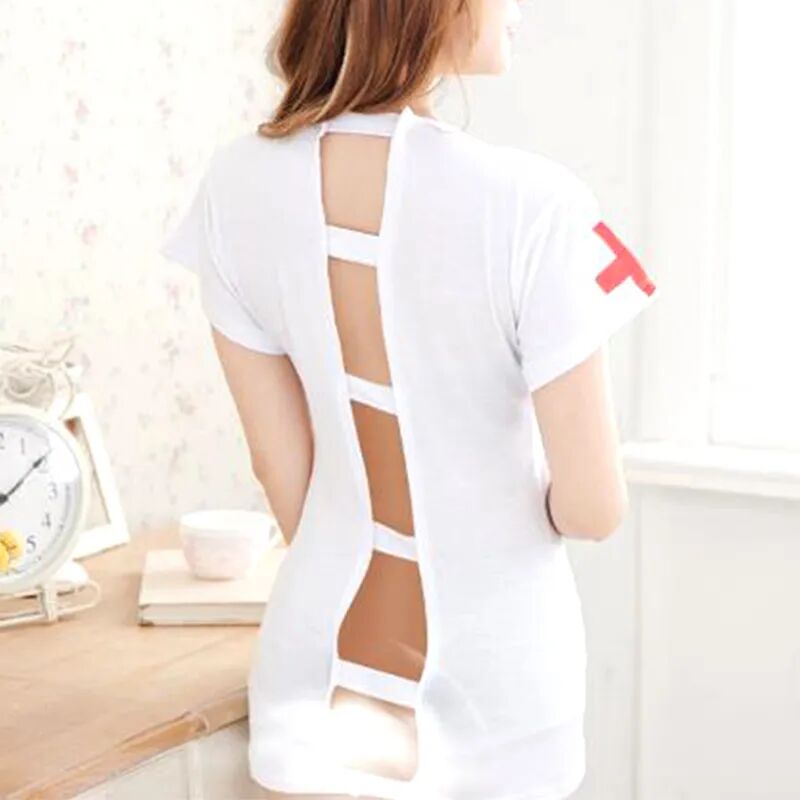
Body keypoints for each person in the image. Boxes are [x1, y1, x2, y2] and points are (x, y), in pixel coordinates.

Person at [160, 0, 660, 798]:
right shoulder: (536, 203)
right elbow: (593, 508)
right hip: (495, 692)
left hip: (315, 673)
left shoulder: (233, 185)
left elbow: (281, 471)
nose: (520, 11)